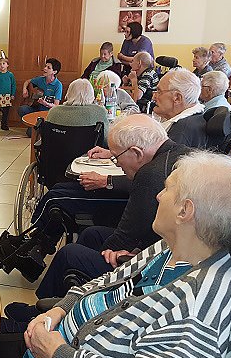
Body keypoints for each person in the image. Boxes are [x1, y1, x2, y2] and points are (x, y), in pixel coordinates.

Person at [18, 152, 231, 358]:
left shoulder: (196, 318)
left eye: (167, 188)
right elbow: (110, 280)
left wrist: (58, 356)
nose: (158, 196)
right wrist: (62, 308)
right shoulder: (175, 247)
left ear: (185, 210)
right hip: (60, 333)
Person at [22, 115, 190, 299]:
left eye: (116, 157)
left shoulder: (150, 175)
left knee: (70, 254)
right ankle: (72, 298)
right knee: (91, 234)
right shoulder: (180, 153)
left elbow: (126, 237)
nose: (117, 163)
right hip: (162, 246)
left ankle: (44, 309)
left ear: (136, 153)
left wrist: (108, 254)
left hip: (158, 263)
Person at [153, 68, 208, 148]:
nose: (154, 97)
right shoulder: (194, 119)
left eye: (159, 92)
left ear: (177, 98)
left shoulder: (180, 132)